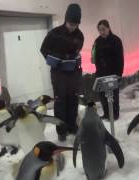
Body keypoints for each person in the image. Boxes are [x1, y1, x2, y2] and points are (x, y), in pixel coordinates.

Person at [40, 3, 84, 141]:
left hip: (73, 73)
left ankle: (72, 126)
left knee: (73, 99)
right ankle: (61, 130)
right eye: (71, 23)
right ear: (66, 20)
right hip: (59, 74)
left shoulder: (80, 35)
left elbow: (76, 51)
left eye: (75, 24)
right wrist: (54, 59)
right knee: (60, 102)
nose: (73, 27)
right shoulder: (54, 33)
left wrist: (70, 59)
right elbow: (43, 49)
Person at [92, 19, 124, 120]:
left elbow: (120, 58)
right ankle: (106, 113)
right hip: (101, 73)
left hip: (113, 73)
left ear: (108, 28)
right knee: (102, 95)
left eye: (103, 29)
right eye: (99, 30)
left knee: (113, 95)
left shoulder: (116, 40)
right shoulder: (97, 41)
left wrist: (119, 74)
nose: (101, 32)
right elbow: (95, 57)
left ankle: (115, 114)